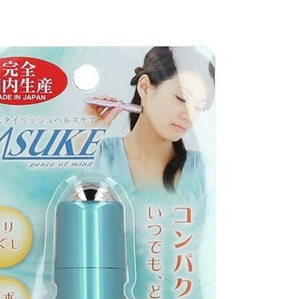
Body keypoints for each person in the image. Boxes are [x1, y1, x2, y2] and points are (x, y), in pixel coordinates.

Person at [88, 47, 215, 198]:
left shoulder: (203, 171)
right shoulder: (99, 156)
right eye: (182, 98)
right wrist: (87, 136)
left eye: (198, 107)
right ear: (145, 87)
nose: (189, 116)